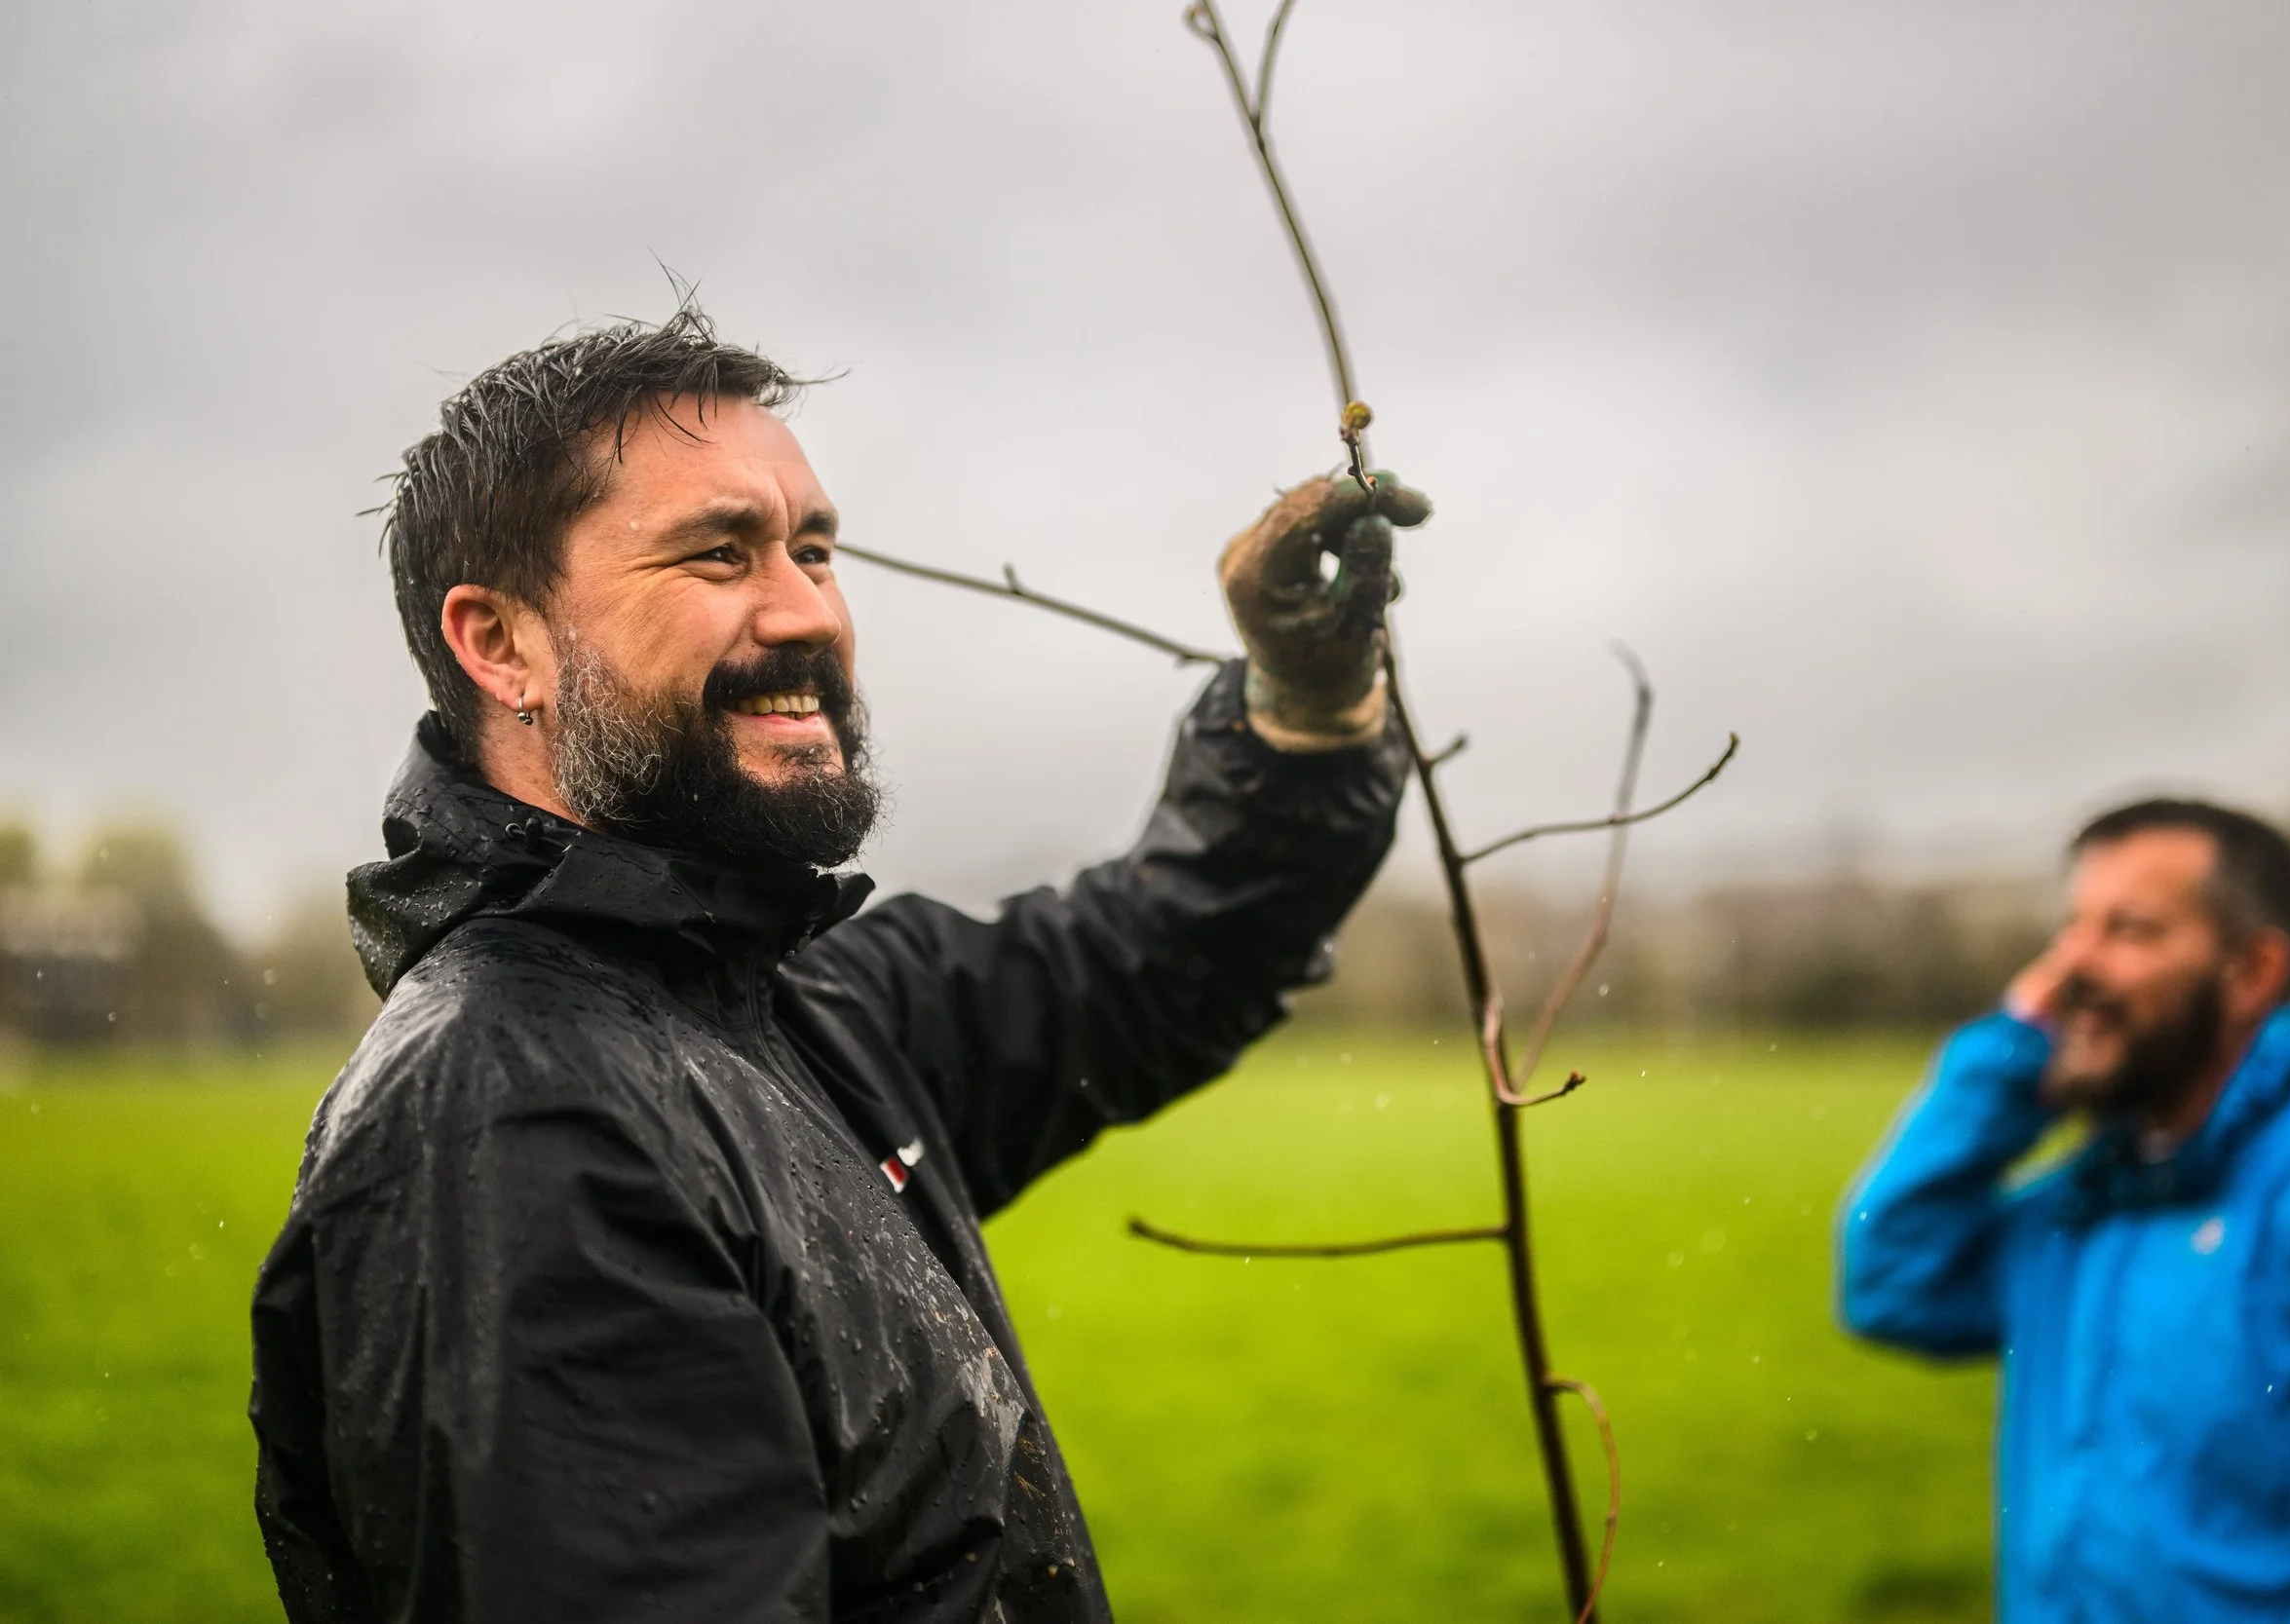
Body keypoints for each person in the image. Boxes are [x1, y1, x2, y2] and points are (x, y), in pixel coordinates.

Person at [247, 304, 1432, 1623]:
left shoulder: (779, 1003)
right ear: (501, 643)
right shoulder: (518, 1119)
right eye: (719, 553)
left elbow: (1143, 960)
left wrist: (1306, 707)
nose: (807, 609)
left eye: (815, 547)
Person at [1839, 799, 2290, 1620]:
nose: (2073, 963)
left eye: (2130, 929)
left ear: (2251, 972)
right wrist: (2013, 1051)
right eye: (2072, 925)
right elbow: (1890, 1274)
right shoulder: (2097, 1190)